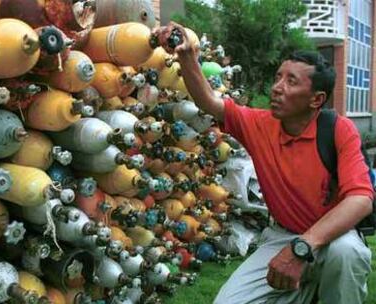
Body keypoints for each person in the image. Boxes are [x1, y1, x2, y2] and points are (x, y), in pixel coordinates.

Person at [155, 23, 374, 304]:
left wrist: (301, 248)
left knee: (348, 254)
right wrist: (187, 56)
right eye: (278, 77)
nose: (277, 88)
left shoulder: (339, 130)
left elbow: (361, 200)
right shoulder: (259, 124)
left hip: (333, 239)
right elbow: (210, 102)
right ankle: (305, 290)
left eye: (291, 82)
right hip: (282, 237)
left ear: (316, 99)